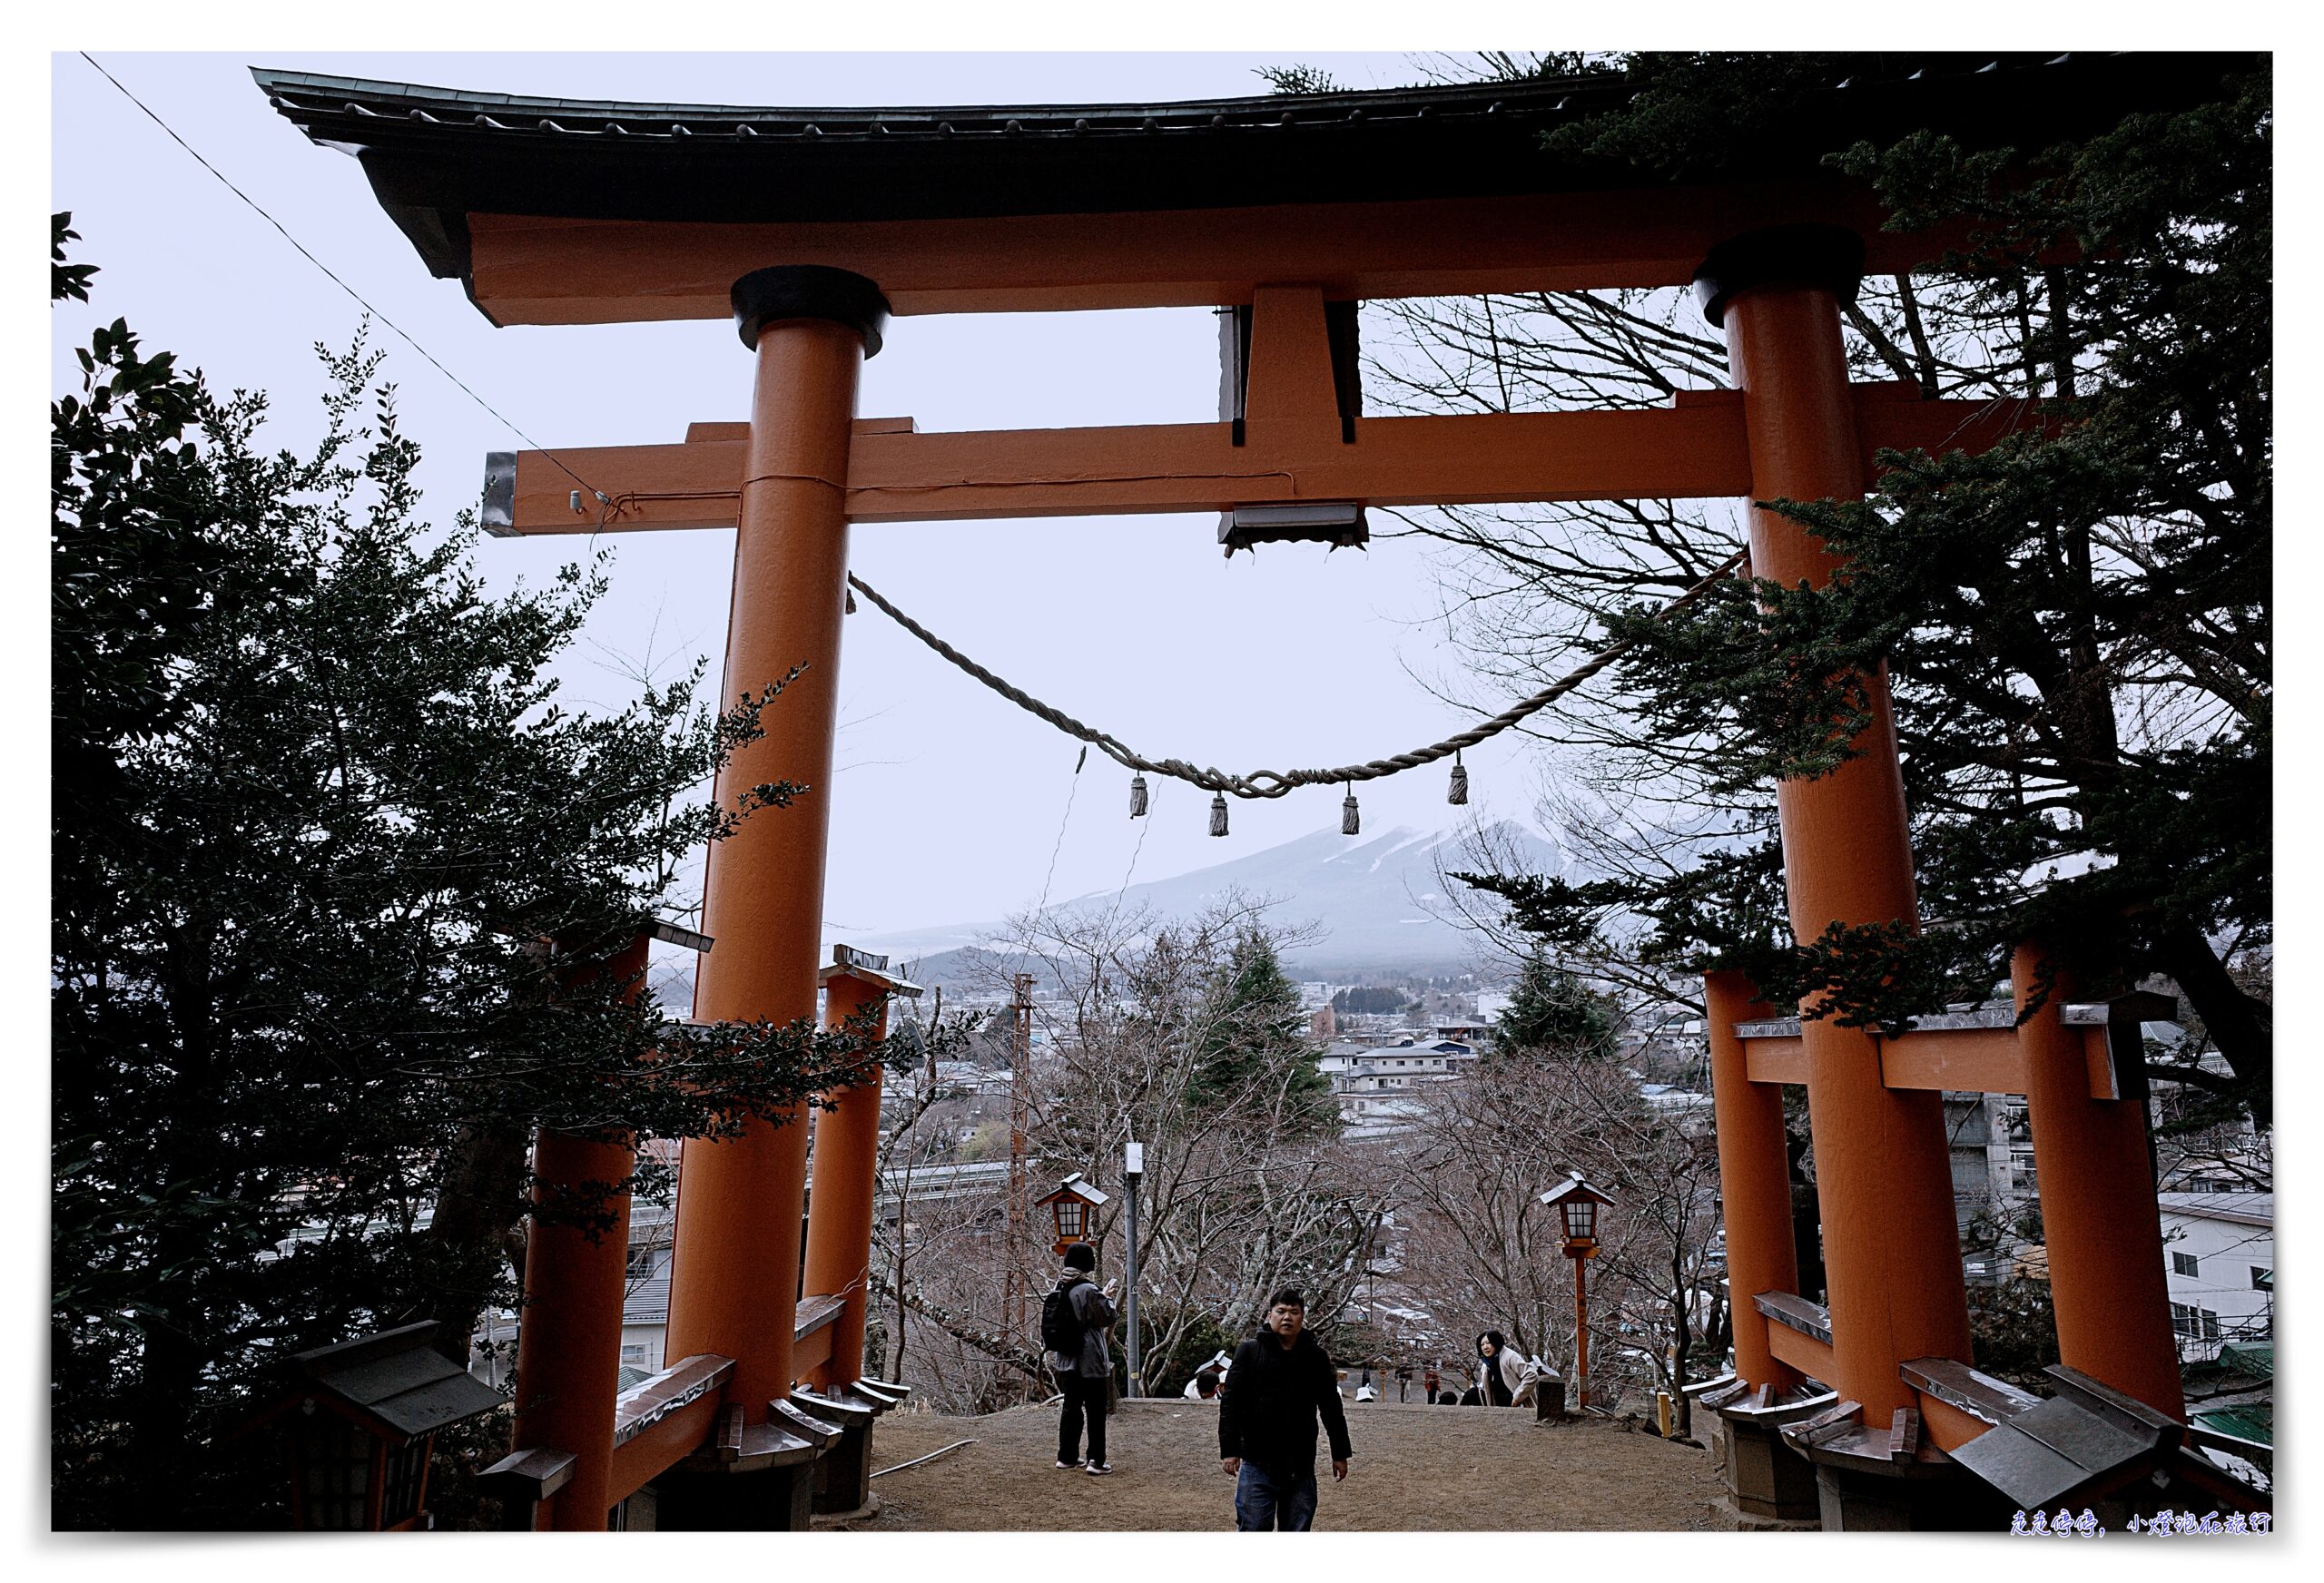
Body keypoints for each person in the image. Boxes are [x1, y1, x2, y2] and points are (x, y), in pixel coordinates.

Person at [1217, 1288, 1353, 1531]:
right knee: (1253, 1528)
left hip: (1300, 1462)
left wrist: (1339, 1453)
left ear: (1302, 1317)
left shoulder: (1316, 1357)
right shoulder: (1249, 1351)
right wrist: (1230, 1450)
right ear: (1270, 1315)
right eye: (1281, 1311)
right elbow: (1231, 1404)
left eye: (1294, 1312)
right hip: (1257, 1460)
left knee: (1298, 1530)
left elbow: (1331, 1407)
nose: (1287, 1317)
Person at [1042, 1243, 1118, 1475]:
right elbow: (1107, 1317)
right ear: (1088, 1263)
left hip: (1066, 1358)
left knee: (1071, 1407)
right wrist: (1106, 1298)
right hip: (1090, 1358)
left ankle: (1066, 1456)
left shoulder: (1060, 1286)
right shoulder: (1087, 1289)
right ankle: (1096, 1460)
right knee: (1096, 1409)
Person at [1472, 1331, 1523, 1407]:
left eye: (1488, 1343)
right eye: (1482, 1345)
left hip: (1517, 1405)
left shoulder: (1511, 1356)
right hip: (1499, 1405)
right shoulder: (1487, 1364)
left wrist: (1518, 1396)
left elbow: (1531, 1376)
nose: (1485, 1347)